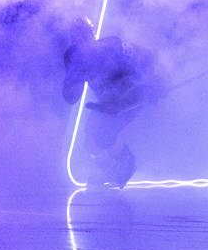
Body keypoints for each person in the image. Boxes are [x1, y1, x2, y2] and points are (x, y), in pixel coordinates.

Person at [62, 18, 160, 188]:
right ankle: (115, 174)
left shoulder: (113, 46)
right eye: (77, 37)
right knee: (91, 142)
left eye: (84, 34)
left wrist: (153, 82)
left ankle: (125, 169)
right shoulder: (74, 59)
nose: (82, 41)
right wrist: (73, 77)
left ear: (92, 34)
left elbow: (145, 56)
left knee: (103, 135)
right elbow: (71, 97)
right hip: (107, 102)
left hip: (130, 96)